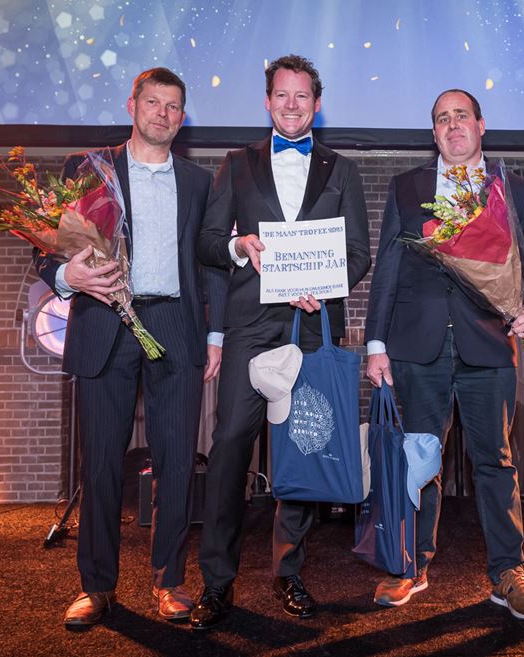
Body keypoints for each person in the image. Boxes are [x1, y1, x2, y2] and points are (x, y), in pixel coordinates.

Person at [33, 67, 226, 627]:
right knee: (100, 469)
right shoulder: (87, 169)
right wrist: (68, 275)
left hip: (175, 323)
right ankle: (96, 587)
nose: (162, 114)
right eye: (153, 102)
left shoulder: (198, 181)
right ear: (132, 105)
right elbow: (45, 247)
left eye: (173, 107)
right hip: (102, 323)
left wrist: (214, 334)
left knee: (176, 465)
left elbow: (210, 261)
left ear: (182, 118)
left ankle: (170, 582)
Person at [191, 54, 371, 629]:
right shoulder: (236, 164)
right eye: (282, 95)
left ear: (316, 104)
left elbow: (359, 252)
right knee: (230, 447)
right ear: (267, 102)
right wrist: (239, 247)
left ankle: (289, 574)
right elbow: (208, 242)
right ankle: (217, 582)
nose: (292, 104)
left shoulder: (341, 169)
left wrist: (320, 285)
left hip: (312, 325)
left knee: (303, 447)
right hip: (250, 324)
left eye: (302, 96)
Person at [364, 89, 524, 620]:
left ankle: (507, 572)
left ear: (481, 125)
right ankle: (409, 566)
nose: (453, 126)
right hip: (415, 346)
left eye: (461, 117)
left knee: (496, 462)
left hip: (489, 345)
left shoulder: (513, 190)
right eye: (442, 119)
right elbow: (388, 268)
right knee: (417, 461)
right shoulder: (408, 188)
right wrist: (375, 343)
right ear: (434, 133)